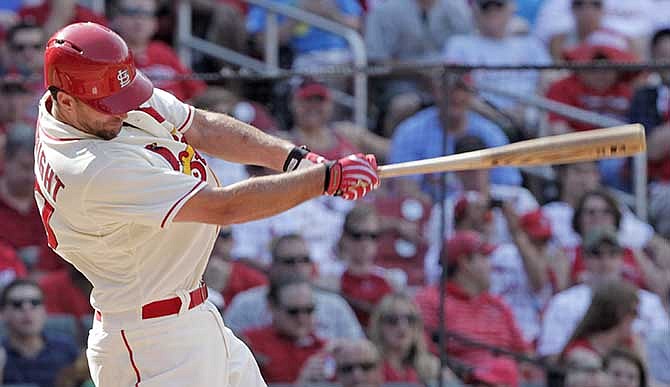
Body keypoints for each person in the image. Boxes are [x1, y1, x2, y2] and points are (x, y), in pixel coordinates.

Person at [35, 22, 379, 387]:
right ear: (66, 101)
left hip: (192, 316)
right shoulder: (90, 168)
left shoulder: (91, 97)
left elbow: (201, 127)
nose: (122, 111)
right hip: (151, 344)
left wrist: (297, 159)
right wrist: (322, 180)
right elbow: (223, 207)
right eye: (109, 106)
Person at [537, 228, 669, 359]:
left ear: (622, 257)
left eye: (612, 254)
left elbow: (664, 347)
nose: (605, 262)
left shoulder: (648, 301)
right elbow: (550, 355)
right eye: (596, 254)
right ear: (584, 258)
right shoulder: (563, 302)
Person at [414, 230, 529, 382]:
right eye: (484, 257)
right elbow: (423, 354)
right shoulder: (431, 300)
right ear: (465, 262)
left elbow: (525, 354)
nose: (491, 265)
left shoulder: (497, 304)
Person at [224, 233, 364, 340]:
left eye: (304, 260)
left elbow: (357, 346)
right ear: (273, 266)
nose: (298, 267)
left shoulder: (335, 306)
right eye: (289, 261)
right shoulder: (246, 304)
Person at [108, 0, 207, 102]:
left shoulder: (163, 51)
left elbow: (198, 91)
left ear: (155, 23)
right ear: (115, 19)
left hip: (179, 113)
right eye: (131, 13)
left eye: (147, 14)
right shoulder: (109, 56)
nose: (139, 20)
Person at [241, 273, 329, 384]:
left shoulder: (325, 348)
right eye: (293, 311)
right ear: (272, 306)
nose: (302, 318)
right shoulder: (250, 345)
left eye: (308, 310)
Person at [367, 292, 459, 385]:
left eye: (410, 320)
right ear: (379, 325)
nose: (403, 327)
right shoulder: (366, 365)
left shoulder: (430, 366)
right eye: (393, 320)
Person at [1, 278, 79, 386]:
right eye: (17, 304)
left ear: (44, 310)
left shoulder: (66, 348)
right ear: (3, 313)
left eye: (35, 302)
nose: (27, 309)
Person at [336, 203, 393, 327]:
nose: (365, 242)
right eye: (357, 235)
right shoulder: (332, 278)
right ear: (345, 237)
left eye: (372, 236)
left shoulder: (391, 280)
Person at [560, 280, 641, 361]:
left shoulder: (631, 345)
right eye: (634, 312)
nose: (636, 317)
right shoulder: (578, 352)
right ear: (619, 313)